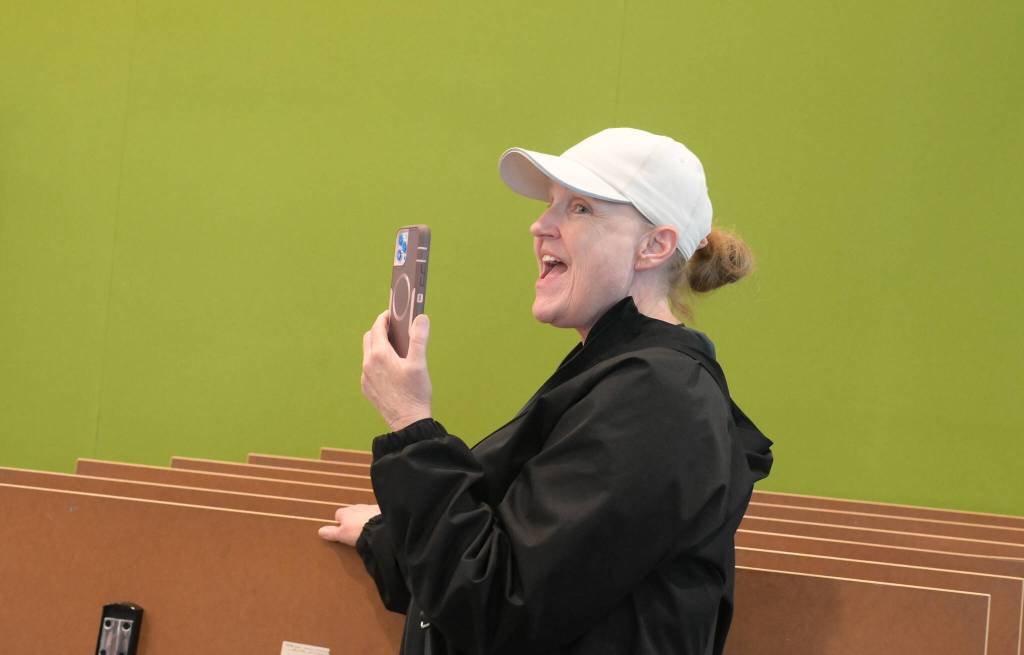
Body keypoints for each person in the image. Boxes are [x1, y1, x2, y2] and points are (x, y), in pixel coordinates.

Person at [319, 127, 774, 655]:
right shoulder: (616, 374)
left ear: (654, 245)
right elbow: (526, 557)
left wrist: (409, 422)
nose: (541, 225)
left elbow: (497, 605)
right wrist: (385, 536)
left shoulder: (659, 399)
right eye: (551, 204)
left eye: (580, 209)